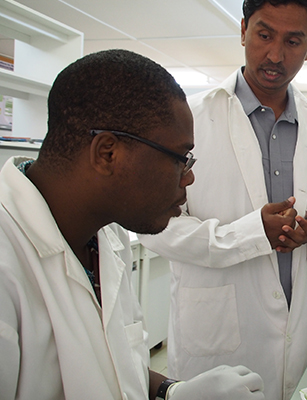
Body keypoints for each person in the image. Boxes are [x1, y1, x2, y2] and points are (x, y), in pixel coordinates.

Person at [0, 49, 264, 400]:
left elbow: (116, 364)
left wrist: (171, 391)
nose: (189, 177)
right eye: (180, 159)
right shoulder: (7, 265)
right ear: (108, 153)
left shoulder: (106, 234)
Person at [138, 0, 307, 399]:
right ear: (242, 30)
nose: (275, 55)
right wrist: (252, 234)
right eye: (264, 34)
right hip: (214, 335)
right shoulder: (192, 116)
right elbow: (153, 226)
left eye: (293, 41)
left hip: (298, 324)